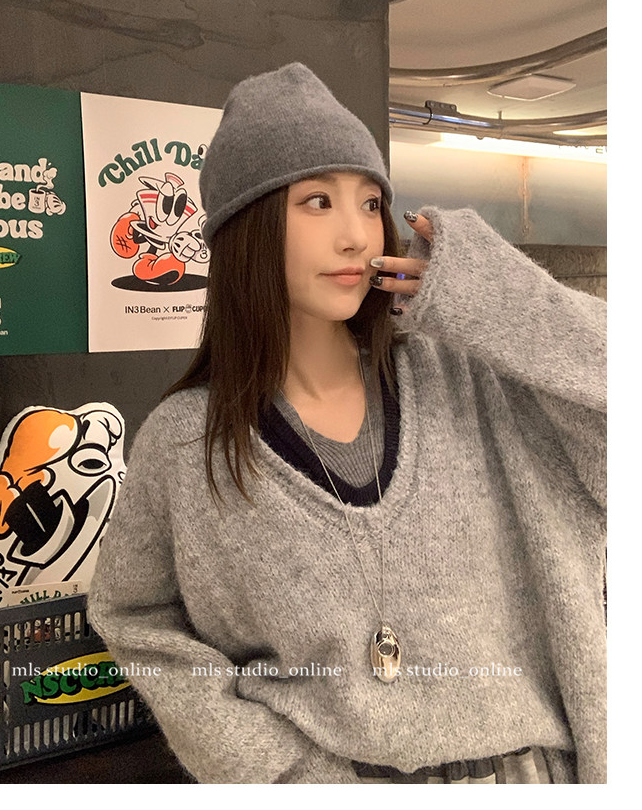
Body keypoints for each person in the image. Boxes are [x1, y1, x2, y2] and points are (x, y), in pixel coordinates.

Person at [88, 63, 606, 784]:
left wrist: (492, 295)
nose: (356, 236)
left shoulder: (473, 380)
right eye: (318, 202)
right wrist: (276, 773)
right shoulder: (185, 443)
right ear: (247, 228)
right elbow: (135, 616)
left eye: (370, 203)